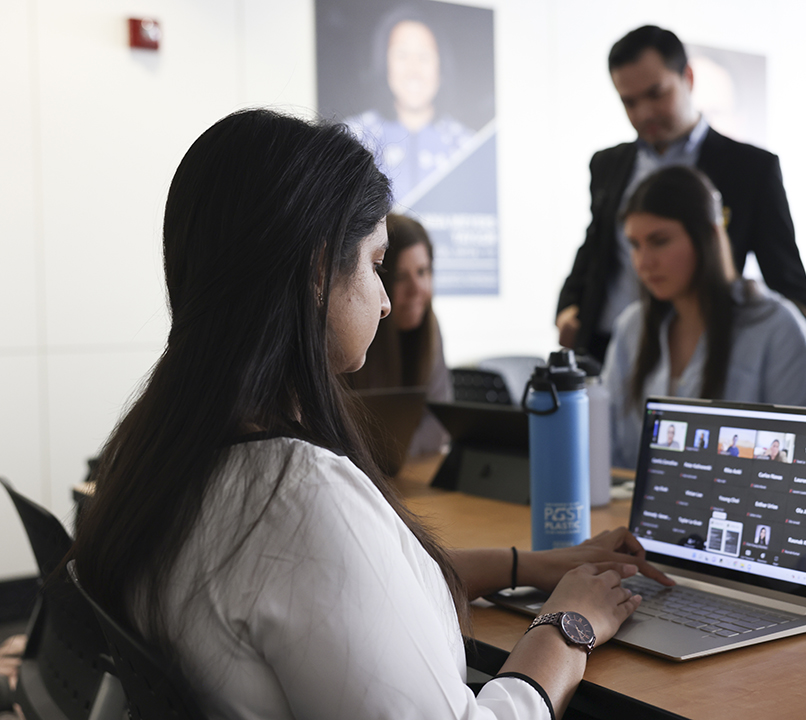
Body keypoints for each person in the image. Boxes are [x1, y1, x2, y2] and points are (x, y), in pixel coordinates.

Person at [69, 109, 674, 720]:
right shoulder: (295, 496)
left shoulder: (160, 457)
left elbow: (348, 586)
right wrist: (568, 626)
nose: (386, 301)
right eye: (377, 263)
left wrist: (531, 565)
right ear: (315, 267)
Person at [556, 25, 806, 407]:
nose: (645, 113)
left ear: (687, 78)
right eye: (630, 102)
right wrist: (568, 305)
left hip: (708, 351)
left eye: (656, 94)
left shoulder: (750, 168)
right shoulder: (608, 165)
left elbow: (788, 277)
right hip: (615, 347)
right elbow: (596, 247)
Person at [602, 165, 806, 468]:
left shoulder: (776, 327)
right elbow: (608, 453)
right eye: (635, 245)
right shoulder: (631, 328)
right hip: (639, 513)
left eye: (659, 241)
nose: (644, 262)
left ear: (708, 236)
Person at [345, 213, 450, 457]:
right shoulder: (353, 333)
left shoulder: (431, 328)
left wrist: (391, 452)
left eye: (423, 272)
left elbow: (438, 424)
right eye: (402, 277)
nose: (417, 289)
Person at [345, 9, 473, 203]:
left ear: (441, 66)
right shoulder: (353, 137)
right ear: (384, 63)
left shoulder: (466, 146)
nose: (414, 69)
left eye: (424, 56)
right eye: (401, 54)